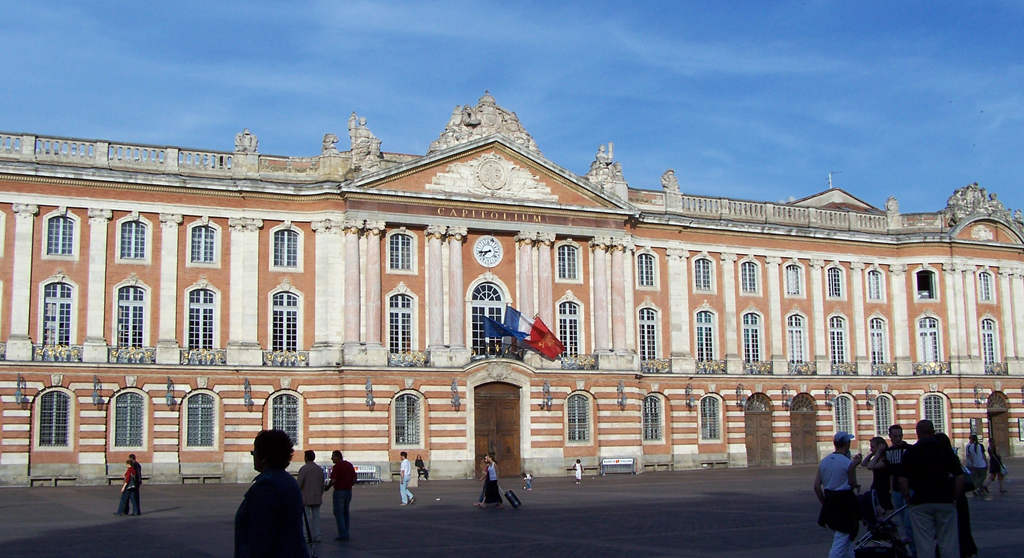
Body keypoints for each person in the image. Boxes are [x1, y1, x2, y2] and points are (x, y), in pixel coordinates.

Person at [234, 429, 309, 558]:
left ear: (263, 457)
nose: (253, 457)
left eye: (254, 453)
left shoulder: (267, 485)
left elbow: (261, 535)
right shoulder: (288, 480)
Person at [899, 419, 964, 558]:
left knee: (924, 543)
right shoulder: (945, 450)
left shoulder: (911, 452)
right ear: (933, 432)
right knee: (948, 542)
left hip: (920, 501)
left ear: (917, 434)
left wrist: (908, 500)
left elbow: (902, 481)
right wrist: (955, 497)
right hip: (944, 500)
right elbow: (960, 476)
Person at [813, 431, 862, 558]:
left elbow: (817, 486)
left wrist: (825, 503)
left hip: (830, 500)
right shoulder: (848, 463)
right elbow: (852, 484)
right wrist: (855, 467)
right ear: (847, 444)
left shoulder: (824, 461)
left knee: (845, 541)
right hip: (845, 502)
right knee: (841, 539)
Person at [935, 433, 978, 558]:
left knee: (948, 527)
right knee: (962, 525)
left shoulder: (942, 457)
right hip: (960, 498)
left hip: (950, 496)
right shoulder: (952, 455)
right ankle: (966, 549)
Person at [885, 424, 915, 555]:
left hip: (909, 489)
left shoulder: (910, 450)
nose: (898, 439)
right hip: (897, 491)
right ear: (890, 437)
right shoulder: (889, 452)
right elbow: (891, 472)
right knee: (903, 520)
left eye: (900, 436)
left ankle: (915, 551)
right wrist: (891, 489)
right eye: (895, 436)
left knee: (910, 522)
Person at [324, 450, 356, 541]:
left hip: (339, 491)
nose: (331, 458)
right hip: (348, 491)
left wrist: (327, 487)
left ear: (337, 457)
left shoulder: (337, 467)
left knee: (339, 513)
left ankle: (343, 533)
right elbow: (354, 477)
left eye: (333, 456)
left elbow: (333, 480)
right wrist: (350, 484)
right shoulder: (349, 465)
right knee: (346, 512)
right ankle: (346, 531)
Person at [296, 450, 324, 543]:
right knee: (316, 517)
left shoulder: (304, 469)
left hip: (306, 497)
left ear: (306, 458)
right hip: (317, 496)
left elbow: (299, 484)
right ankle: (318, 535)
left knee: (305, 518)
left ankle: (306, 536)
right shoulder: (319, 469)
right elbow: (322, 483)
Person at [863, 436, 892, 519]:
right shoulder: (877, 459)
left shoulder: (885, 461)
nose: (871, 449)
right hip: (876, 488)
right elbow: (864, 463)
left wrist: (878, 452)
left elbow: (870, 466)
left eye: (872, 447)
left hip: (883, 490)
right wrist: (872, 453)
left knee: (885, 516)